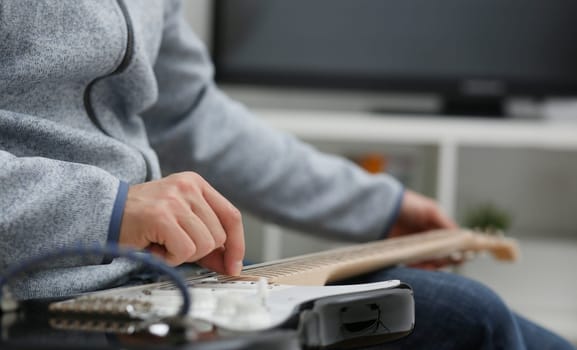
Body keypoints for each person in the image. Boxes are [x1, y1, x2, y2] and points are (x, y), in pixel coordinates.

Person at [0, 1, 573, 349]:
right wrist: (109, 209)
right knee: (471, 319)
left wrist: (379, 207)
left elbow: (191, 115)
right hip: (37, 299)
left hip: (153, 288)